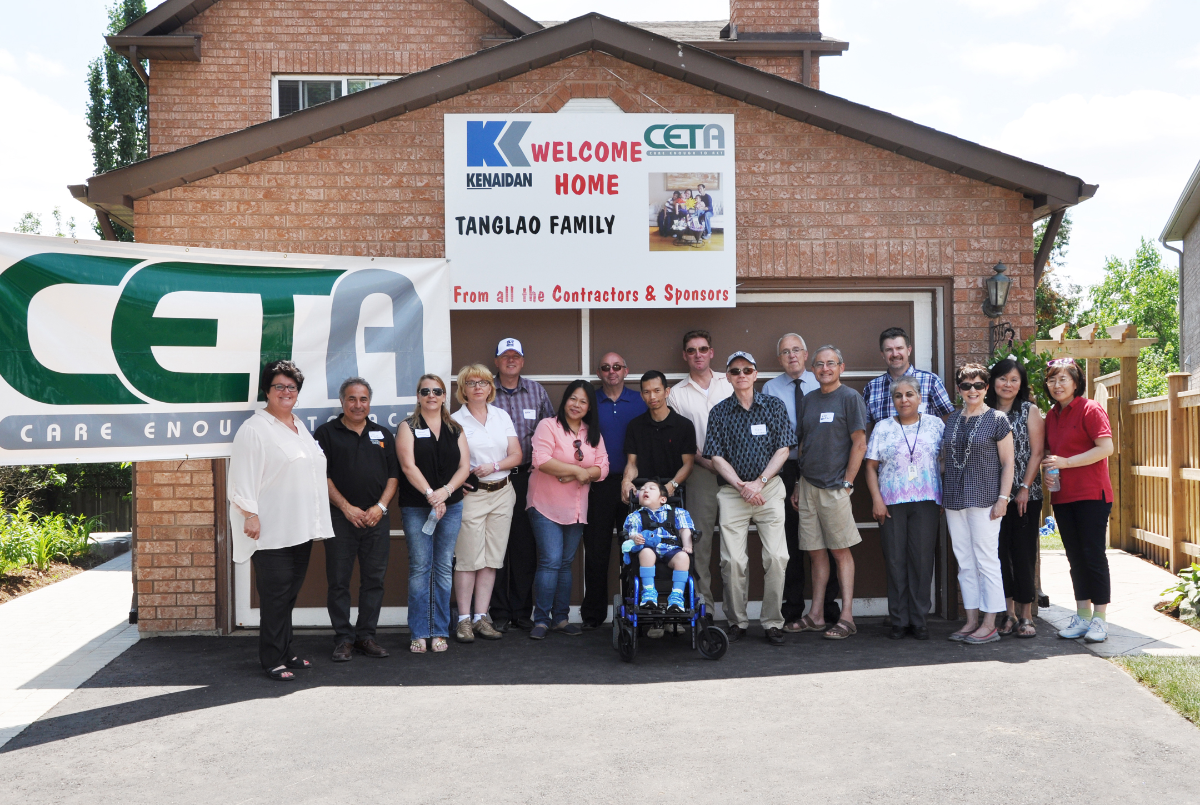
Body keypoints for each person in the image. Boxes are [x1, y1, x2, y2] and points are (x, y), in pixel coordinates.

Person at [228, 360, 334, 681]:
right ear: (267, 391)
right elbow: (242, 477)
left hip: (298, 527)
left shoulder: (298, 426)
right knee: (275, 596)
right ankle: (272, 659)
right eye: (279, 387)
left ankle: (287, 650)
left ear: (298, 393)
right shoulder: (254, 429)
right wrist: (250, 515)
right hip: (270, 528)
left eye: (292, 387)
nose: (286, 392)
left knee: (289, 594)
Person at [704, 351, 795, 645]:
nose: (741, 375)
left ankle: (772, 621)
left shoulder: (774, 405)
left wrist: (759, 483)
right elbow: (715, 456)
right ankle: (737, 621)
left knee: (778, 557)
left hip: (768, 489)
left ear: (756, 374)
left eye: (747, 370)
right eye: (735, 371)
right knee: (732, 561)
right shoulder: (719, 412)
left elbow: (784, 449)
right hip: (733, 491)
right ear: (728, 377)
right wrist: (743, 485)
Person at [314, 377, 400, 662]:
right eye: (352, 399)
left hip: (377, 518)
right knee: (339, 581)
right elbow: (320, 476)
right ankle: (343, 639)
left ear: (369, 402)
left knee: (373, 580)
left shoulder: (383, 434)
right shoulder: (326, 433)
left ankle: (366, 637)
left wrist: (381, 507)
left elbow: (393, 476)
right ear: (342, 401)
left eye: (363, 399)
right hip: (340, 519)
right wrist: (346, 507)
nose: (358, 404)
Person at [761, 332, 840, 632]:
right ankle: (793, 607)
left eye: (796, 350)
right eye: (785, 352)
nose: (792, 355)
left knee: (826, 538)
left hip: (820, 468)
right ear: (779, 358)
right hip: (785, 468)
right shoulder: (770, 387)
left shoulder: (822, 381)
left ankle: (828, 606)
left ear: (806, 355)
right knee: (790, 540)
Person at [792, 346, 869, 640]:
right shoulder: (809, 400)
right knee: (815, 553)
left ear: (841, 367)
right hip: (809, 485)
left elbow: (859, 444)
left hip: (835, 487)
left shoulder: (850, 398)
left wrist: (848, 482)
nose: (825, 368)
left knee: (840, 551)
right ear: (813, 369)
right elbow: (804, 443)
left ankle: (847, 617)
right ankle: (817, 615)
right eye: (820, 364)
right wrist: (799, 482)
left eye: (831, 363)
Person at [527, 380, 610, 640]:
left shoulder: (591, 433)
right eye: (573, 399)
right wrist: (579, 472)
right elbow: (541, 460)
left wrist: (579, 475)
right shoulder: (548, 425)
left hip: (575, 507)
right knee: (551, 561)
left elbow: (604, 468)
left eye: (583, 401)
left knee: (564, 564)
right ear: (564, 400)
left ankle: (560, 619)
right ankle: (541, 620)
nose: (577, 405)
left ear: (589, 407)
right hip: (545, 504)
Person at [864, 375, 945, 640]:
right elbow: (871, 466)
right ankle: (899, 619)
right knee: (896, 560)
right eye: (898, 396)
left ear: (920, 398)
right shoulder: (883, 428)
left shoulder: (935, 425)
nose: (904, 400)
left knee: (922, 561)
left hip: (926, 502)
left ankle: (919, 620)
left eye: (910, 394)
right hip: (891, 503)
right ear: (893, 400)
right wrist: (877, 498)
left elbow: (946, 459)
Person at [395, 374, 471, 654]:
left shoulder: (456, 428)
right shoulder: (407, 426)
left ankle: (439, 630)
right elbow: (407, 466)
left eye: (437, 391)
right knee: (419, 568)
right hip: (417, 507)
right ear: (418, 396)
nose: (431, 395)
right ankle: (419, 631)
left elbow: (465, 467)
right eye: (425, 391)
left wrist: (445, 492)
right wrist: (430, 494)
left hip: (450, 507)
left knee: (442, 569)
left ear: (444, 396)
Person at [1042, 358, 1115, 644]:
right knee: (1074, 557)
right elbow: (1051, 454)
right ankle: (1082, 616)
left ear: (1076, 382)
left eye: (1063, 379)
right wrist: (1049, 474)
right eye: (1052, 380)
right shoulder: (1051, 416)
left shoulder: (1090, 409)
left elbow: (1106, 448)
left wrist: (1067, 462)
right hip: (1063, 496)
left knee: (1093, 555)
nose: (1057, 385)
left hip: (1092, 495)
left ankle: (1100, 619)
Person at [941, 363, 1015, 645]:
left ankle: (990, 623)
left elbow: (1008, 463)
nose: (972, 390)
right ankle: (971, 620)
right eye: (966, 385)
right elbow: (945, 461)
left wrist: (1003, 498)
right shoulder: (952, 420)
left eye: (978, 385)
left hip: (985, 498)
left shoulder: (997, 419)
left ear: (986, 388)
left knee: (986, 560)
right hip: (954, 499)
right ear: (959, 389)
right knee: (964, 561)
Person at [450, 364, 522, 643]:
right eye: (471, 383)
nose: (478, 386)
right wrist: (461, 480)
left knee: (492, 560)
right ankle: (463, 620)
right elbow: (450, 461)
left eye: (483, 382)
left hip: (503, 493)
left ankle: (482, 617)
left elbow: (516, 455)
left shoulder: (501, 415)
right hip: (473, 496)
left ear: (491, 388)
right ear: (463, 389)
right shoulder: (455, 420)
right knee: (468, 560)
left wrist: (493, 465)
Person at [489, 337, 555, 632]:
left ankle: (521, 610)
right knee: (497, 545)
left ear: (523, 361)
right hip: (493, 478)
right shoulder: (485, 391)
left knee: (525, 546)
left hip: (530, 477)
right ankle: (499, 610)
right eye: (506, 356)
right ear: (497, 361)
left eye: (516, 355)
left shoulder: (537, 391)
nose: (511, 360)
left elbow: (552, 431)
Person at [668, 330, 733, 613]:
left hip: (736, 476)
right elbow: (682, 440)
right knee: (700, 543)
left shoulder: (731, 382)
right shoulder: (676, 394)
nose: (698, 355)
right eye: (692, 350)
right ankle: (704, 607)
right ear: (685, 355)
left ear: (712, 352)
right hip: (700, 473)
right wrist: (707, 461)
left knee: (734, 546)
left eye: (703, 349)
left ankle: (736, 613)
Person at [580, 353, 646, 629]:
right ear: (599, 372)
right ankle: (594, 616)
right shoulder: (590, 402)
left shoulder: (640, 400)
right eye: (606, 368)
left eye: (617, 366)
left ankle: (636, 611)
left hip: (635, 484)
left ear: (626, 370)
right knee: (596, 551)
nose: (611, 372)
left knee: (634, 550)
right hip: (598, 485)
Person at [987, 358, 1045, 639]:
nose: (1007, 385)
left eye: (1014, 380)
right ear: (993, 381)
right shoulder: (984, 411)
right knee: (998, 555)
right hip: (992, 497)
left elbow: (1037, 452)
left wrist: (1024, 487)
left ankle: (1026, 615)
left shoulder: (1028, 410)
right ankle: (1007, 613)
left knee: (1022, 554)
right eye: (1002, 378)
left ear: (1021, 384)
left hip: (1025, 496)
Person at [621, 370, 696, 504]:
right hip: (643, 494)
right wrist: (626, 481)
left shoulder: (684, 425)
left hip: (674, 494)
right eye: (646, 392)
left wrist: (671, 485)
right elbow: (632, 463)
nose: (652, 397)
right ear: (642, 396)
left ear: (667, 392)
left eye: (657, 390)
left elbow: (688, 464)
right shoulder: (635, 426)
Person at [621, 479, 694, 612]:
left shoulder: (677, 512)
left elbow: (685, 530)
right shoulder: (636, 516)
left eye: (651, 488)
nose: (645, 490)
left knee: (683, 557)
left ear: (663, 499)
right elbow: (632, 533)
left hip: (671, 549)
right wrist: (635, 538)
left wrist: (687, 545)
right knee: (646, 552)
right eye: (642, 489)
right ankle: (649, 592)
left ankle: (677, 596)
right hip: (649, 550)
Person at [861, 327, 956, 424]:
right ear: (882, 354)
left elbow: (948, 420)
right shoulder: (872, 387)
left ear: (909, 350)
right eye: (889, 350)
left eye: (899, 348)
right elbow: (866, 427)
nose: (895, 354)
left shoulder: (931, 381)